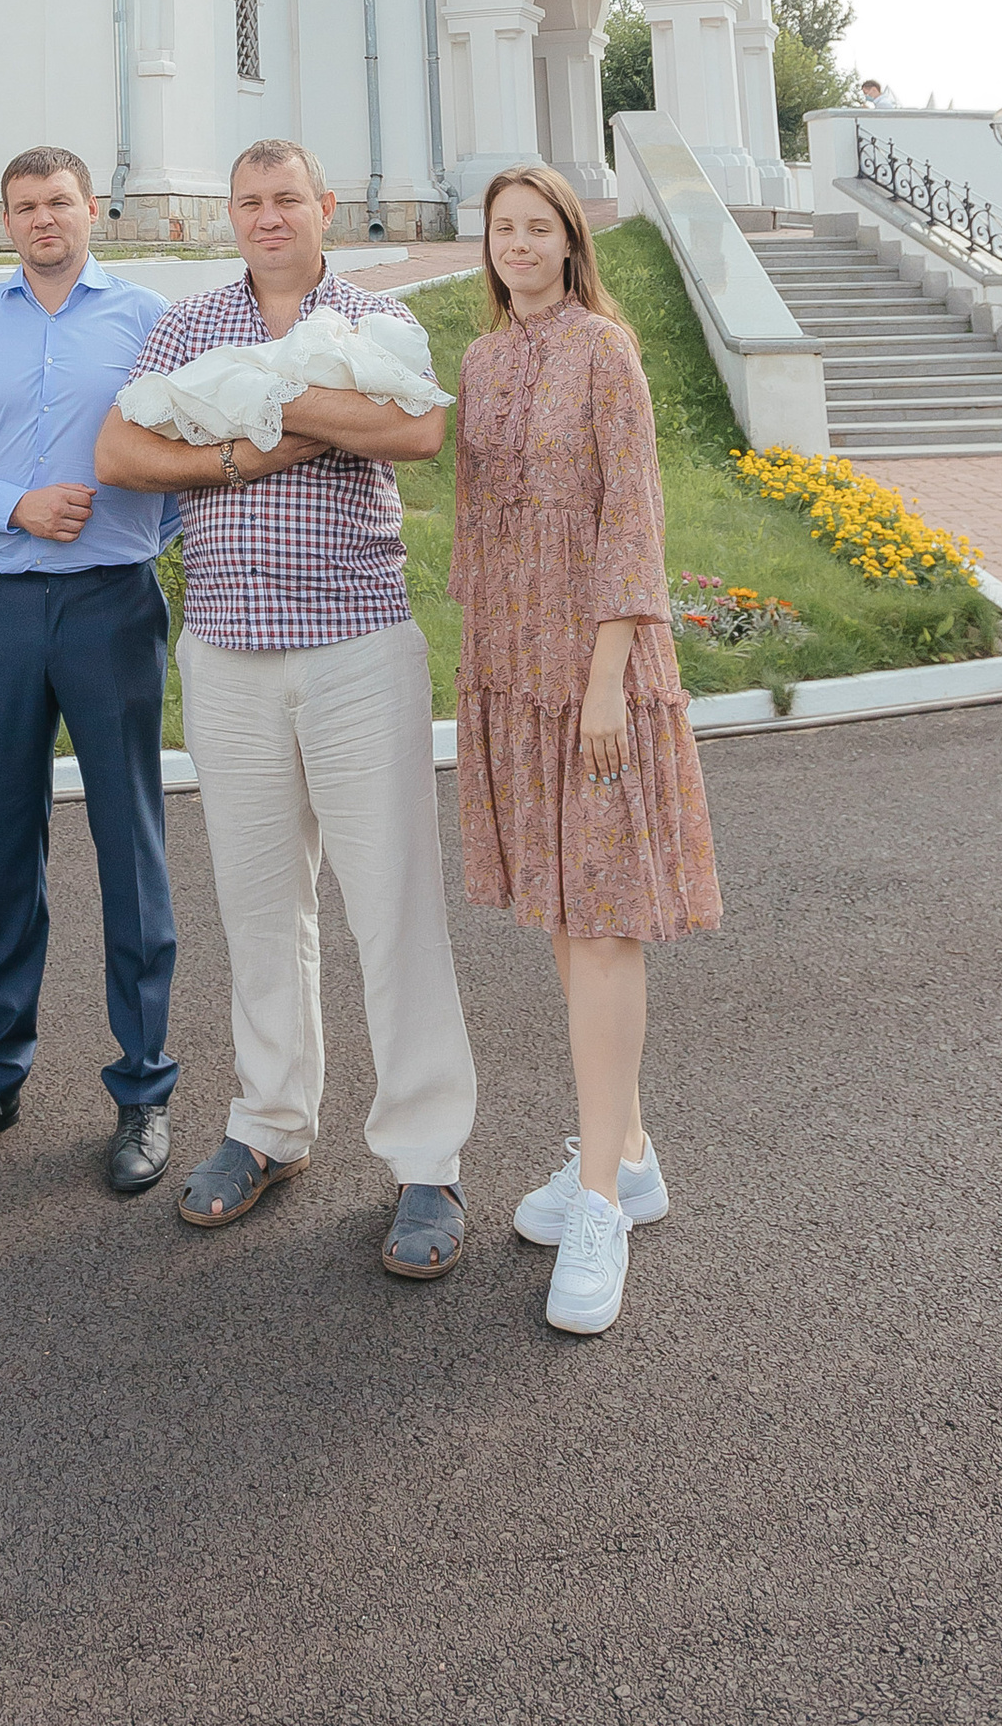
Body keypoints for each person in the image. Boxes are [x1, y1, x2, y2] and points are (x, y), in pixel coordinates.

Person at [95, 138, 477, 1281]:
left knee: (390, 907)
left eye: (287, 200)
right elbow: (120, 450)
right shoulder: (184, 322)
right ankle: (270, 1127)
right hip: (226, 654)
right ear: (231, 213)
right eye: (248, 201)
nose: (268, 217)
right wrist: (262, 452)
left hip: (357, 644)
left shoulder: (376, 318)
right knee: (261, 909)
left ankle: (425, 1160)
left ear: (326, 209)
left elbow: (414, 429)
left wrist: (253, 414)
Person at [450, 162, 721, 1336]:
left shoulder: (605, 350)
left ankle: (603, 1200)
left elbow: (631, 514)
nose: (518, 246)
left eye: (537, 228)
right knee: (563, 922)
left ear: (570, 241)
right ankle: (633, 1150)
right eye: (502, 229)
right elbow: (474, 520)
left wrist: (609, 676)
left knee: (605, 922)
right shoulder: (480, 360)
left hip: (596, 675)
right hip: (513, 670)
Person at [0, 147, 178, 1197]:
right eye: (25, 206)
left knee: (129, 841)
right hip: (0, 608)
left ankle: (143, 1086)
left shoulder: (150, 318)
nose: (44, 218)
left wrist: (135, 526)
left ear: (90, 209)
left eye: (59, 201)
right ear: (6, 221)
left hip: (110, 605)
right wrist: (13, 503)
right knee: (8, 839)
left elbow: (184, 447)